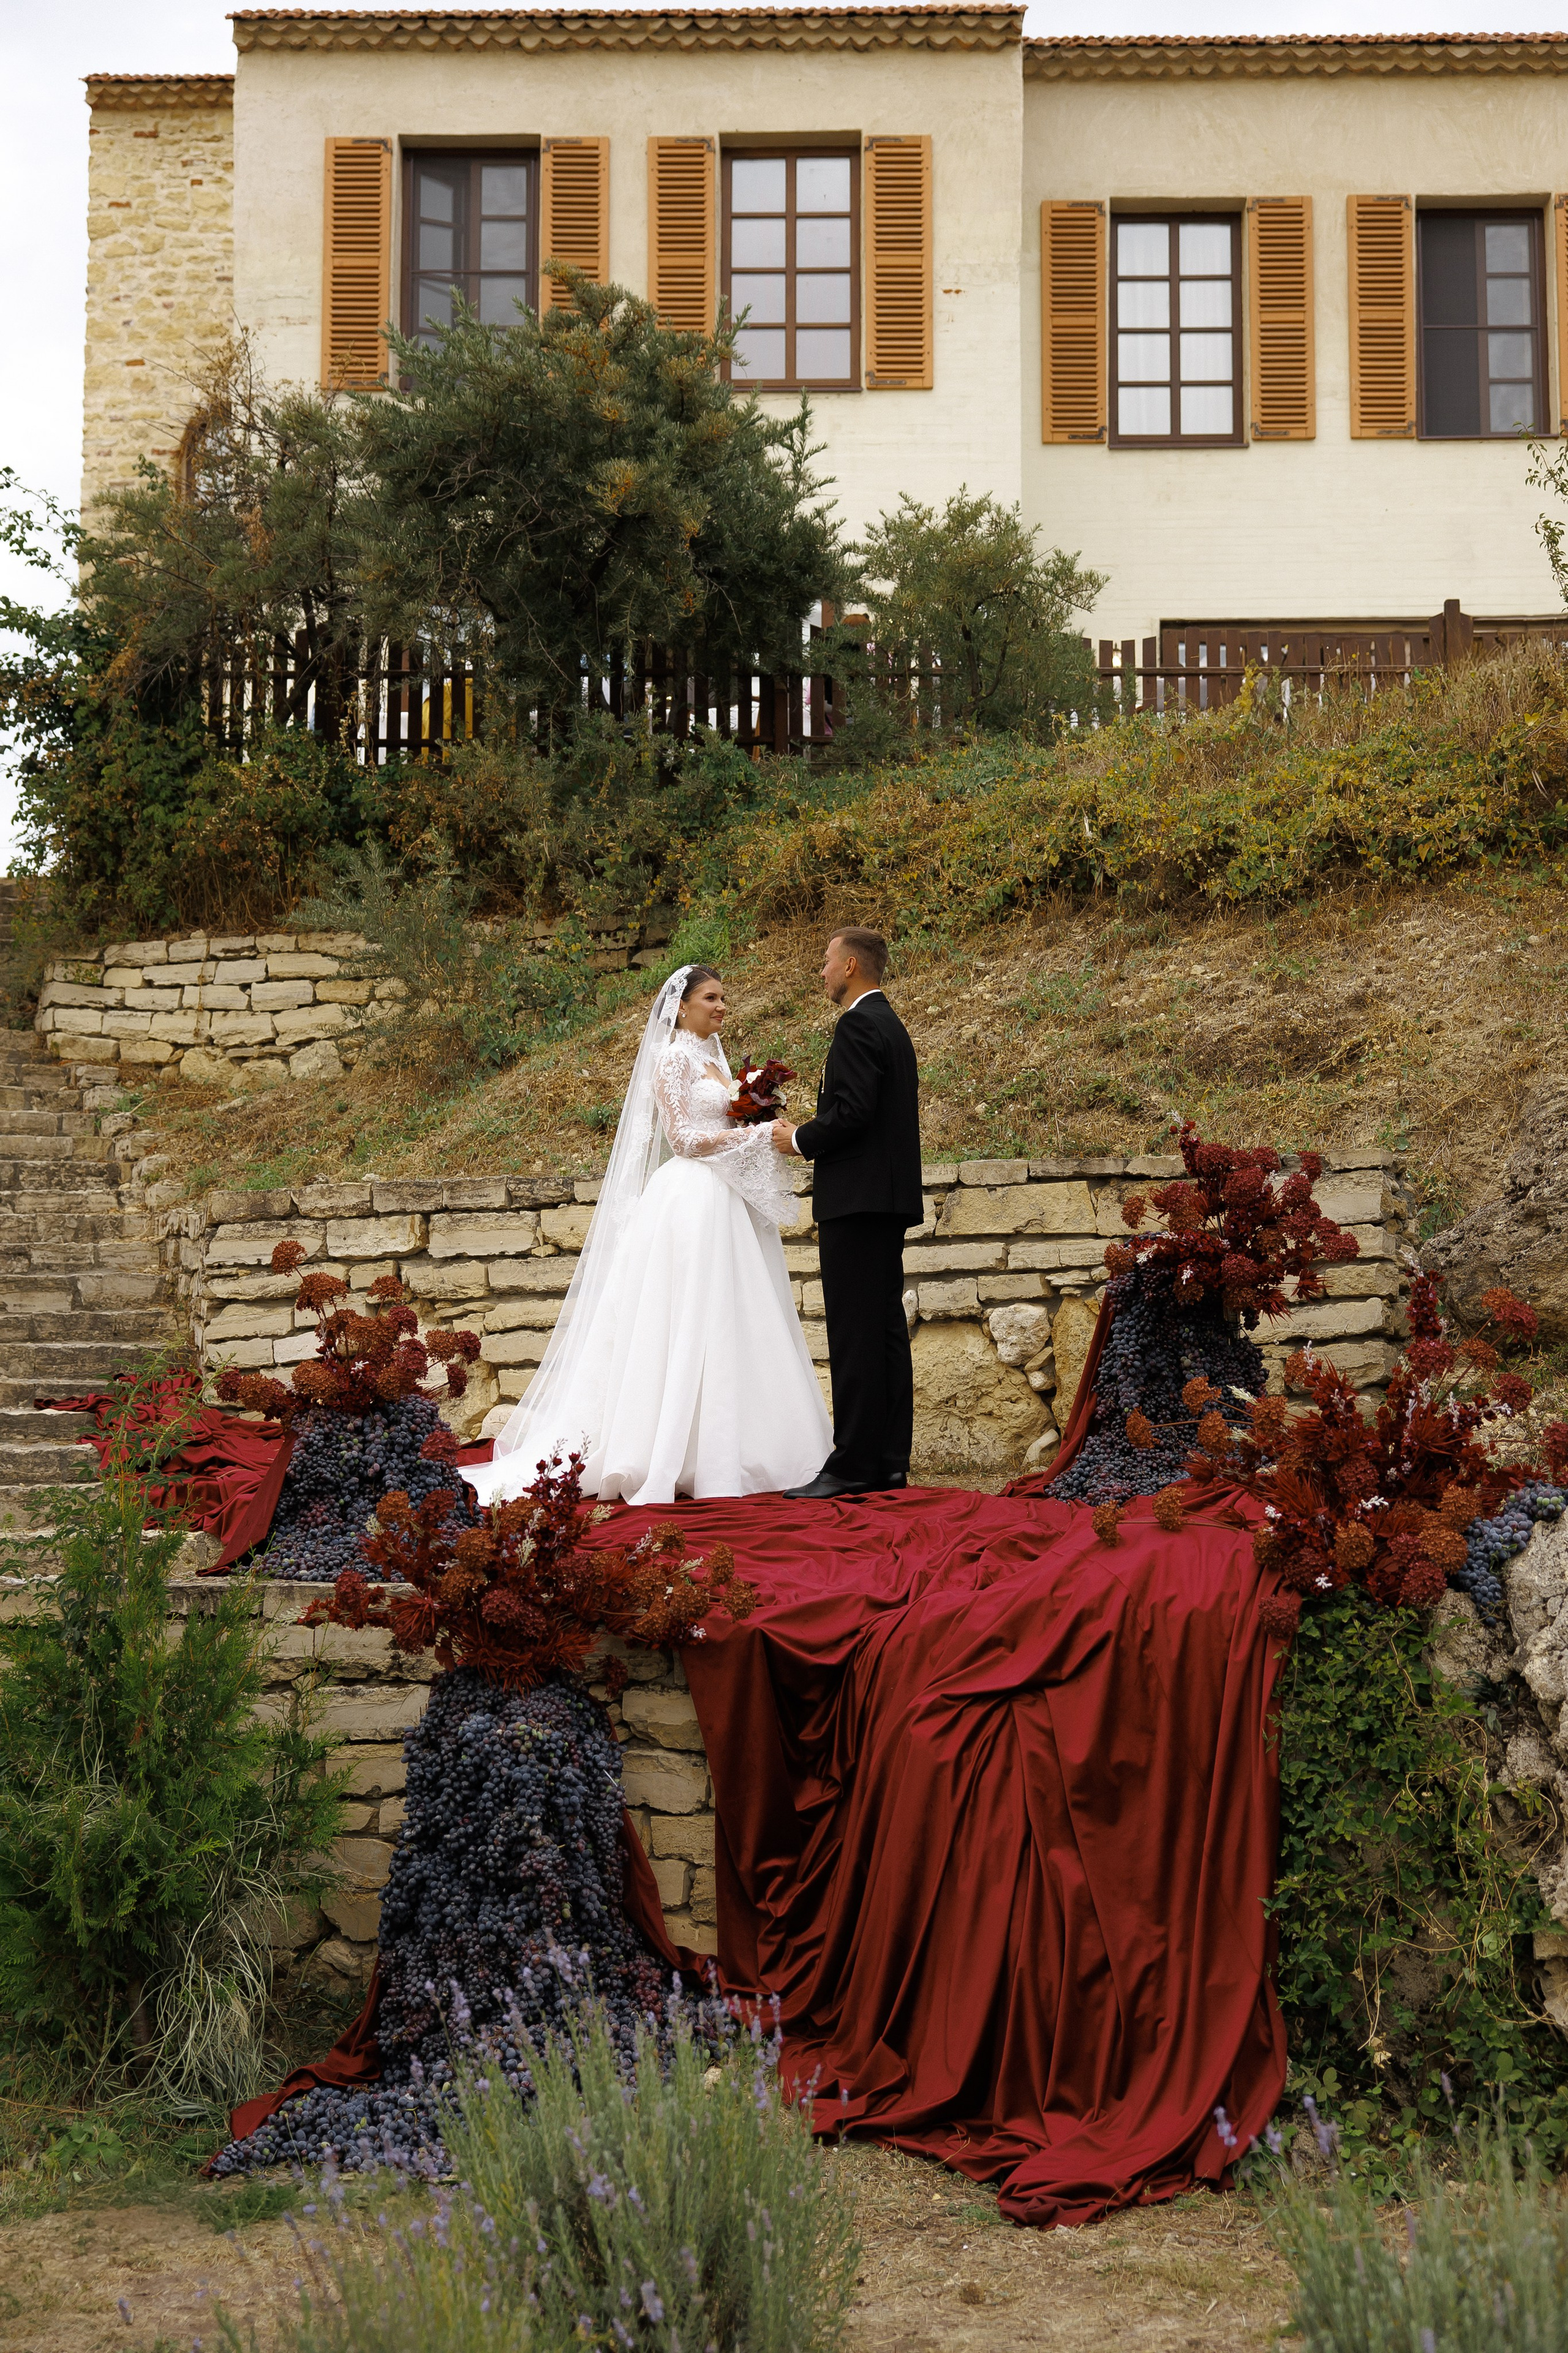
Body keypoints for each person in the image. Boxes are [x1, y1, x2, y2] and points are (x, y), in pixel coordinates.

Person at [468, 964, 831, 1508]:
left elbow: (721, 1124)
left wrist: (752, 1109)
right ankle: (663, 1450)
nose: (722, 1006)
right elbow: (682, 1138)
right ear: (681, 1007)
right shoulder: (672, 1058)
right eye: (712, 997)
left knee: (733, 1316)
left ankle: (740, 1447)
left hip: (725, 1201)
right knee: (682, 1318)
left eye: (725, 997)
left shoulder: (716, 1057)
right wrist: (758, 1133)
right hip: (690, 1201)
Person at [770, 927, 922, 1500]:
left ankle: (853, 1463)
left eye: (826, 961)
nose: (822, 971)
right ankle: (887, 1461)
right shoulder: (892, 1025)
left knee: (857, 1334)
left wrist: (800, 1137)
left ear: (852, 965)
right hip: (883, 1201)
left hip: (857, 1202)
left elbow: (853, 1112)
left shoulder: (858, 1024)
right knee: (883, 1332)